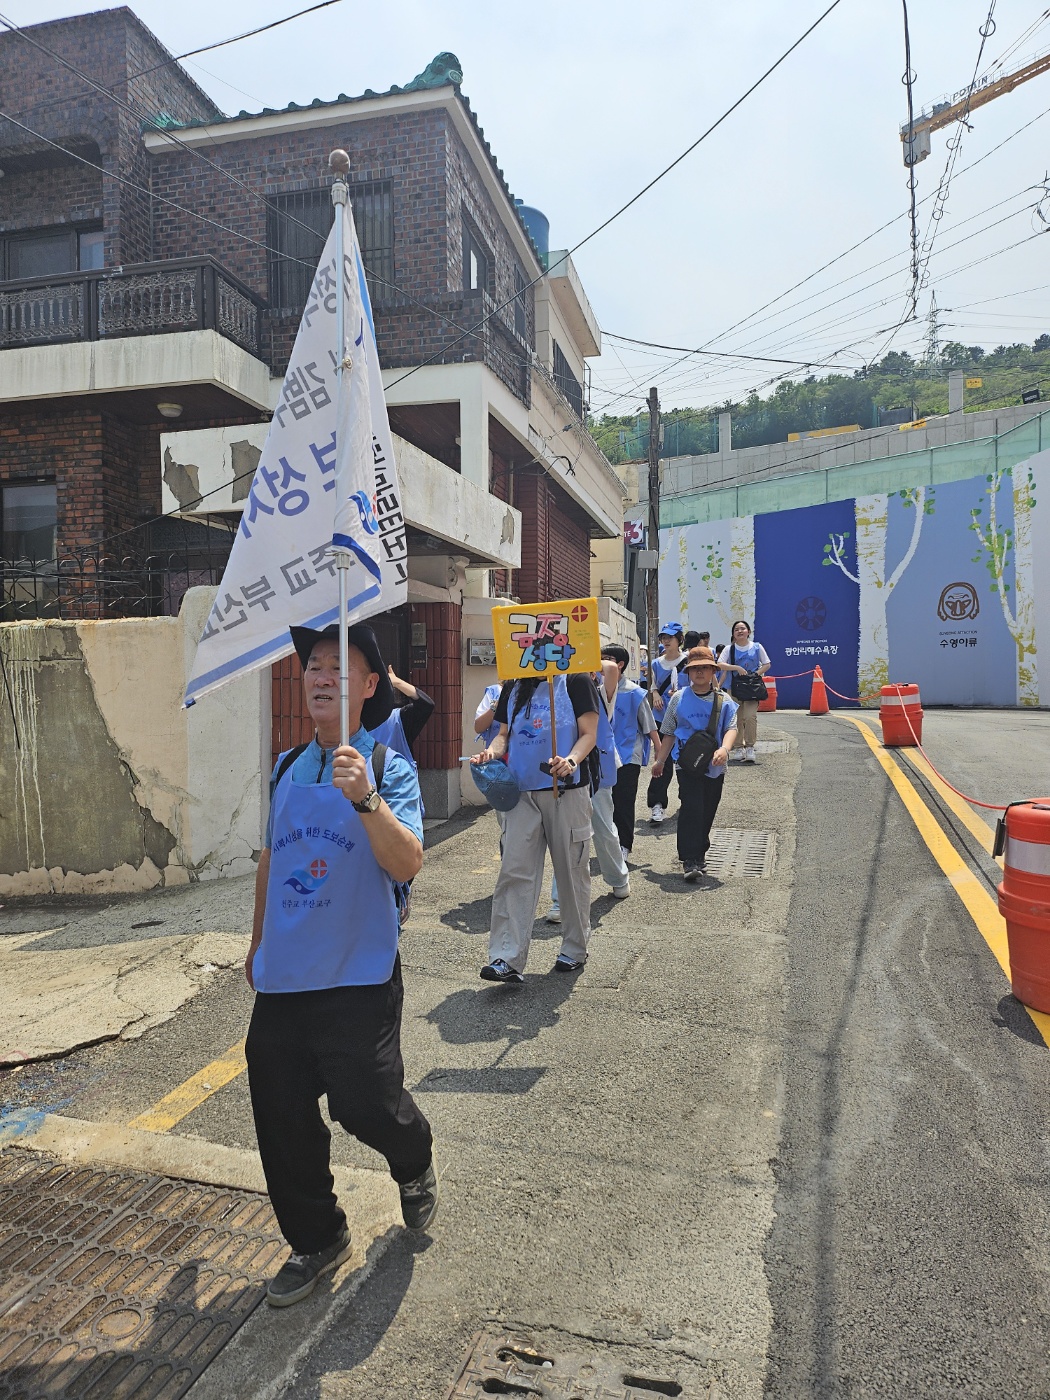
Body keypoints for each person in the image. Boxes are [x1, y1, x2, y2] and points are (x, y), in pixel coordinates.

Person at [245, 623, 435, 1308]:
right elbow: (273, 857)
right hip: (287, 975)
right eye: (313, 666)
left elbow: (408, 862)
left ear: (368, 685)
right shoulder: (286, 766)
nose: (321, 676)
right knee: (280, 1111)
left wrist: (366, 800)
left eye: (337, 666)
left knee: (367, 1107)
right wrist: (258, 939)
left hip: (360, 972)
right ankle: (318, 1239)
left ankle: (413, 1162)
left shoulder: (387, 766)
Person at [472, 671, 599, 982]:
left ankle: (575, 947)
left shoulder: (576, 682)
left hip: (565, 790)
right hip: (519, 793)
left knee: (571, 871)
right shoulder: (513, 686)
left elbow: (589, 733)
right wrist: (493, 750)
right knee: (514, 872)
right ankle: (506, 956)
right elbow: (504, 733)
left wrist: (570, 760)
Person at [546, 660, 630, 921]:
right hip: (562, 772)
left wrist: (579, 655)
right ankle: (561, 902)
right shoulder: (552, 687)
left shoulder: (597, 687)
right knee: (567, 837)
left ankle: (618, 877)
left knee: (604, 829)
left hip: (596, 771)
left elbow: (611, 668)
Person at [652, 646, 738, 882]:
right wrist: (660, 760)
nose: (699, 673)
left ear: (713, 671)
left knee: (708, 808)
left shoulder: (724, 700)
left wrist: (724, 749)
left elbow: (731, 728)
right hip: (686, 765)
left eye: (704, 668)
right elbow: (668, 732)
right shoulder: (678, 698)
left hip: (715, 766)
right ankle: (689, 859)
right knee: (691, 807)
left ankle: (700, 852)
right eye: (694, 668)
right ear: (688, 673)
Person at [602, 644, 659, 860]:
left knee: (624, 801)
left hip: (628, 756)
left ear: (620, 664)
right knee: (604, 802)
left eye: (606, 658)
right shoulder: (597, 689)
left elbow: (650, 725)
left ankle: (624, 845)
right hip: (603, 755)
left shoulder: (635, 693)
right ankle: (609, 843)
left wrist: (659, 756)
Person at [715, 619, 770, 764]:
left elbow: (767, 664)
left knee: (750, 716)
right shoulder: (729, 649)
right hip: (734, 688)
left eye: (742, 628)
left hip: (752, 688)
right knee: (737, 718)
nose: (740, 631)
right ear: (733, 634)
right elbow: (720, 664)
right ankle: (739, 747)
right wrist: (736, 668)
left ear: (748, 632)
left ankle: (750, 747)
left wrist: (756, 674)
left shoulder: (757, 647)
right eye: (736, 629)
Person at [646, 621, 684, 823]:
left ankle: (686, 800)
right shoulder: (655, 663)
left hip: (685, 719)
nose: (666, 640)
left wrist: (680, 694)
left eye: (670, 637)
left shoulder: (688, 661)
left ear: (680, 639)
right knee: (662, 761)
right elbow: (653, 686)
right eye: (663, 637)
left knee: (687, 762)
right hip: (662, 717)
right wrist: (656, 695)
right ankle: (657, 804)